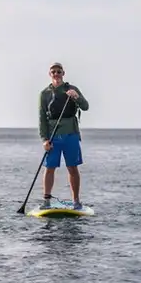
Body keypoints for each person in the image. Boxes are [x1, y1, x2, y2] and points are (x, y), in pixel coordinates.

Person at [38, 62, 90, 210]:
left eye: (59, 72)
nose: (56, 74)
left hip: (71, 134)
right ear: (50, 74)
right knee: (49, 168)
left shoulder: (71, 89)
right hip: (53, 136)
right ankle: (46, 201)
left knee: (72, 167)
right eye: (53, 72)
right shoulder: (44, 94)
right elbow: (42, 118)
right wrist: (44, 140)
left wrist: (77, 97)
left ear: (63, 73)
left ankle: (76, 201)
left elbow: (85, 106)